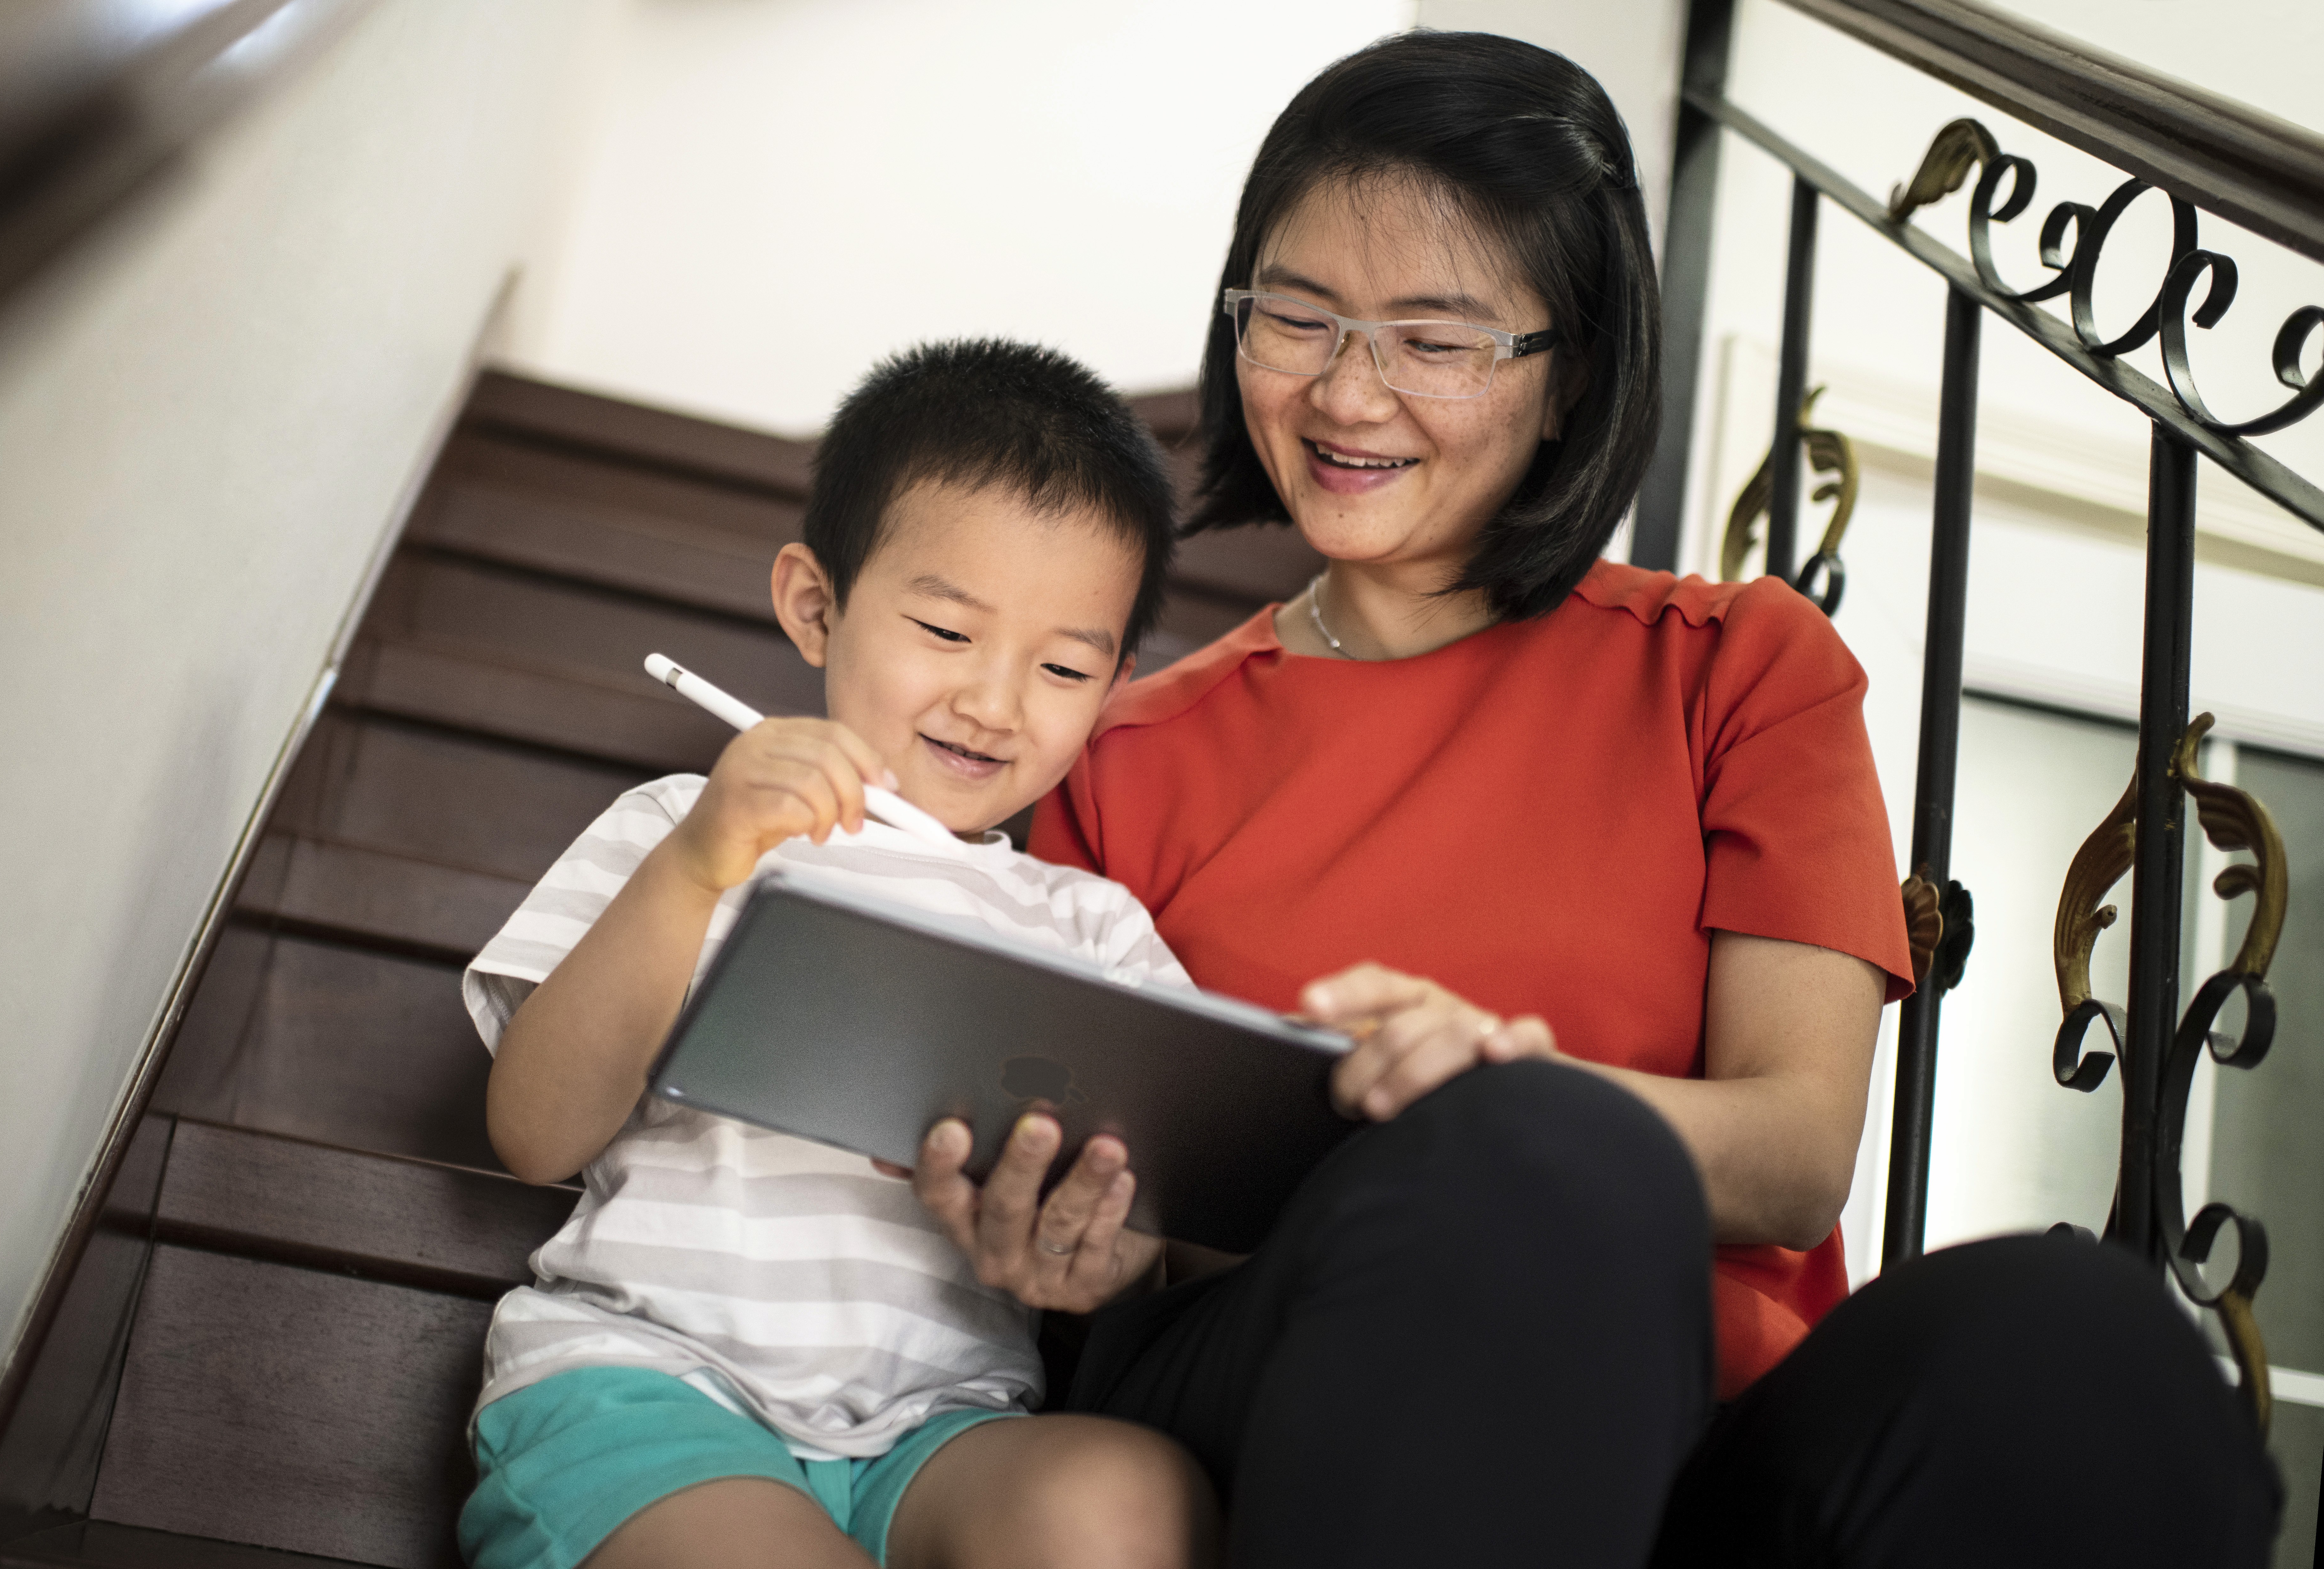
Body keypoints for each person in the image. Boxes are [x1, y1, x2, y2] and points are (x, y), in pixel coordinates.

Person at [888, 33, 2283, 1568]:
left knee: (2071, 1333)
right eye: (1296, 315)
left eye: (1434, 339)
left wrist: (1511, 1092)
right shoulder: (1122, 751)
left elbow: (1797, 1148)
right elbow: (1130, 1217)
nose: (1346, 390)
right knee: (1526, 1165)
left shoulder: (1739, 671)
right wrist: (1084, 1238)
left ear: (1569, 382)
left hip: (1704, 1431)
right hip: (1290, 1406)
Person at [457, 339, 1218, 1569]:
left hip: (942, 1435)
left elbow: (1165, 1228)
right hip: (651, 1390)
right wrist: (698, 868)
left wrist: (1108, 1252)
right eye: (944, 629)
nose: (994, 701)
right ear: (817, 605)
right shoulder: (685, 828)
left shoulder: (1093, 931)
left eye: (1063, 667)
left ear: (1114, 685)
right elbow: (533, 1133)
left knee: (1128, 1497)